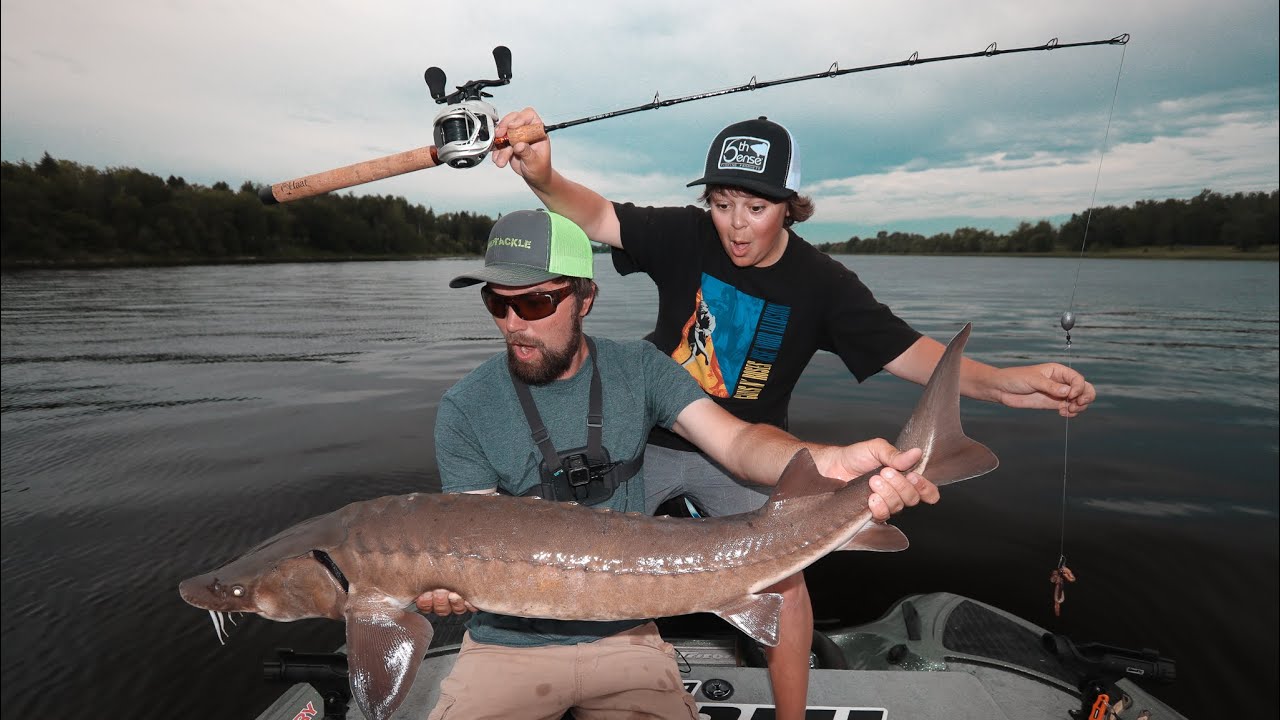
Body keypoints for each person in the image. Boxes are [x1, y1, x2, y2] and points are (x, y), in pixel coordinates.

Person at [487, 109, 1098, 719]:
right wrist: (542, 175)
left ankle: (792, 715)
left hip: (746, 452)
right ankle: (569, 675)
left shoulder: (821, 283)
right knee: (587, 557)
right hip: (644, 436)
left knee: (787, 584)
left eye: (756, 208)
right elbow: (595, 215)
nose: (736, 227)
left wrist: (1000, 384)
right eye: (723, 204)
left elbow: (906, 351)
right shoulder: (686, 236)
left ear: (790, 204)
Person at [415, 208, 940, 719]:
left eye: (534, 304)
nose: (513, 325)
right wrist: (443, 581)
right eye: (496, 305)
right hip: (505, 645)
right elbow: (468, 533)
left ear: (585, 298)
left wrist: (832, 460)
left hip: (626, 635)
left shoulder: (641, 369)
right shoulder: (465, 406)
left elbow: (737, 443)